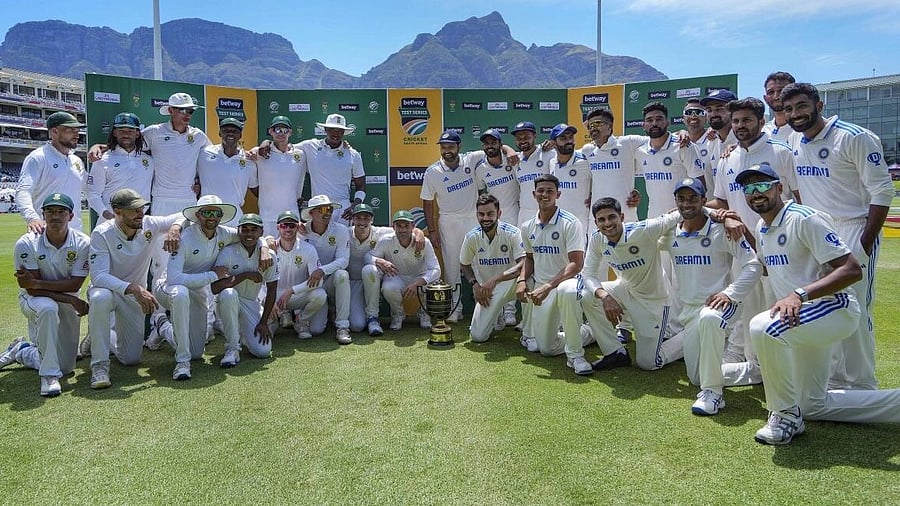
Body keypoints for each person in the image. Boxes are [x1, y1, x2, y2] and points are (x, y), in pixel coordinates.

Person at [735, 164, 900, 445]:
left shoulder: (804, 218)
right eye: (749, 189)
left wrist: (799, 294)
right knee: (811, 404)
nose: (755, 194)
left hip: (834, 308)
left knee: (763, 327)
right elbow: (762, 268)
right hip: (803, 318)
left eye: (762, 186)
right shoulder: (763, 227)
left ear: (779, 187)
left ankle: (785, 415)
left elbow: (851, 270)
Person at [782, 82, 894, 391]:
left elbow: (882, 191)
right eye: (789, 109)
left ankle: (860, 383)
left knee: (855, 305)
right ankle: (831, 377)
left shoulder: (854, 137)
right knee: (825, 302)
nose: (795, 114)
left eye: (802, 106)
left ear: (819, 105)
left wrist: (865, 243)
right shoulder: (794, 138)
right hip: (819, 230)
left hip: (854, 226)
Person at [660, 178, 763, 415]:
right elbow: (644, 237)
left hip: (722, 305)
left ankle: (713, 394)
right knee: (696, 376)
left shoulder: (722, 230)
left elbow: (753, 265)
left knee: (709, 317)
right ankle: (753, 371)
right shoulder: (670, 233)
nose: (687, 203)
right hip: (689, 311)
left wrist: (730, 293)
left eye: (693, 198)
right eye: (681, 199)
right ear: (675, 202)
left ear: (703, 200)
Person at [712, 98, 799, 364]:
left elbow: (799, 197)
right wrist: (723, 217)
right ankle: (749, 360)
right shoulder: (727, 157)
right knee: (747, 305)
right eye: (736, 120)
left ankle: (786, 364)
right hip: (742, 247)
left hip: (779, 246)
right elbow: (722, 201)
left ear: (761, 122)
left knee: (780, 306)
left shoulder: (781, 152)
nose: (740, 126)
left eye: (746, 120)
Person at [86, 188, 184, 389]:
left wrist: (175, 227)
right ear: (117, 212)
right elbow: (99, 276)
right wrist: (135, 289)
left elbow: (185, 214)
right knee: (99, 297)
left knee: (130, 358)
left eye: (141, 208)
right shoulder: (101, 233)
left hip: (133, 296)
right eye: (134, 209)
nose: (140, 213)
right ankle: (99, 367)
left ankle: (96, 337)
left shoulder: (149, 224)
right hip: (109, 290)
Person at [1, 193, 90, 397]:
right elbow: (31, 289)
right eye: (50, 211)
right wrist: (71, 299)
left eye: (61, 211)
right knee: (48, 307)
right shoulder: (27, 243)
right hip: (33, 299)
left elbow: (75, 283)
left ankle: (22, 350)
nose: (55, 216)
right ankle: (49, 376)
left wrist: (39, 282)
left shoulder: (83, 243)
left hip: (66, 298)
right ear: (43, 214)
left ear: (71, 216)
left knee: (67, 367)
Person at [150, 195, 244, 380]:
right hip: (168, 288)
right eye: (206, 212)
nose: (211, 217)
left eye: (215, 212)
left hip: (198, 291)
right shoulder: (184, 237)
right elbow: (174, 278)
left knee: (196, 352)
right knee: (181, 293)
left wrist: (265, 245)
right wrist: (213, 276)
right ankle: (182, 362)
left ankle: (162, 325)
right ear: (198, 216)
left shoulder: (225, 233)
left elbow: (251, 235)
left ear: (220, 215)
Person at [517, 174, 593, 375]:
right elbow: (530, 258)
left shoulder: (570, 222)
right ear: (534, 194)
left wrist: (548, 286)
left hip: (567, 284)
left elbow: (576, 264)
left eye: (550, 191)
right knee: (547, 349)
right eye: (541, 191)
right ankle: (590, 332)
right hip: (543, 289)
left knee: (567, 291)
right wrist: (522, 280)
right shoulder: (527, 227)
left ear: (558, 194)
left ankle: (576, 355)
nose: (545, 195)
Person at [420, 130, 478, 323]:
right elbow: (428, 203)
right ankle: (455, 308)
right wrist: (433, 230)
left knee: (480, 265)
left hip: (473, 220)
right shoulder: (433, 171)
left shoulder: (471, 160)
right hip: (448, 221)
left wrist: (509, 152)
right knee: (452, 268)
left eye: (451, 147)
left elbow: (496, 149)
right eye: (444, 147)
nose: (447, 151)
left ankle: (485, 308)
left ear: (459, 147)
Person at [348, 203, 426, 335]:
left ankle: (373, 318)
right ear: (353, 219)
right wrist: (380, 260)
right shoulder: (345, 233)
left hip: (373, 279)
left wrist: (419, 233)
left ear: (372, 219)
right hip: (354, 282)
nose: (362, 222)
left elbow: (405, 230)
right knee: (357, 326)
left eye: (366, 218)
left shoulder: (381, 232)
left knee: (369, 270)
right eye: (358, 218)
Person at [212, 214, 278, 366]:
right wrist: (246, 275)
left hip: (251, 304)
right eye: (245, 229)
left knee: (263, 351)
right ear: (238, 231)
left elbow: (272, 289)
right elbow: (215, 288)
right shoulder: (227, 252)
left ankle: (241, 332)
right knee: (229, 294)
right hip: (226, 302)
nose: (249, 234)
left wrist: (263, 322)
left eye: (254, 230)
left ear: (261, 232)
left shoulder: (269, 255)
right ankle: (232, 349)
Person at [460, 194, 525, 343]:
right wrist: (474, 284)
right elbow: (464, 264)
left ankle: (529, 331)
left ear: (499, 213)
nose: (485, 218)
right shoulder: (472, 237)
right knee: (478, 336)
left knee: (530, 279)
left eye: (490, 214)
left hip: (511, 284)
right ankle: (497, 316)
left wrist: (495, 279)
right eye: (481, 214)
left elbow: (524, 263)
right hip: (487, 291)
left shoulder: (513, 233)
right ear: (476, 215)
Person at [365, 210, 441, 331]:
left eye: (406, 226)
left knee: (435, 284)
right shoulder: (386, 240)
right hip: (397, 277)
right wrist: (380, 261)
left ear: (413, 226)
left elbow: (436, 269)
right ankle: (398, 314)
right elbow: (368, 257)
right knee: (388, 288)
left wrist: (418, 283)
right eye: (399, 226)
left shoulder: (424, 242)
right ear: (393, 227)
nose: (403, 230)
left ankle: (424, 313)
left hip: (419, 278)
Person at [16, 112, 87, 233]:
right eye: (70, 129)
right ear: (54, 131)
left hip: (74, 233)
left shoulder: (76, 161)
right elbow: (23, 191)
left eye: (77, 130)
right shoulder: (38, 157)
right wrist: (32, 218)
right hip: (45, 230)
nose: (76, 134)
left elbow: (91, 189)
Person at [634, 102, 704, 219]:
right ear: (644, 125)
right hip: (654, 220)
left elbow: (700, 184)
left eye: (659, 119)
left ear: (667, 122)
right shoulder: (640, 151)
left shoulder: (683, 145)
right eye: (650, 120)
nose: (654, 123)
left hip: (682, 218)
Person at [300, 195, 352, 344]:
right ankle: (329, 310)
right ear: (311, 213)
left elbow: (343, 260)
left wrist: (322, 270)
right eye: (322, 209)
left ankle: (342, 326)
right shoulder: (300, 231)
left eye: (329, 209)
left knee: (342, 274)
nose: (327, 212)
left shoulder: (341, 230)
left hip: (331, 280)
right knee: (316, 330)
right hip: (313, 286)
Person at [86, 112, 153, 226]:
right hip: (109, 222)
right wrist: (106, 214)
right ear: (115, 133)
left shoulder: (150, 160)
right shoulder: (102, 159)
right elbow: (92, 193)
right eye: (121, 130)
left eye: (130, 131)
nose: (126, 134)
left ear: (137, 133)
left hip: (139, 222)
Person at [580, 108, 644, 224]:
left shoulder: (628, 142)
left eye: (598, 123)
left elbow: (659, 139)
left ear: (610, 126)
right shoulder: (587, 150)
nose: (593, 127)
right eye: (590, 125)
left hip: (626, 218)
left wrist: (682, 133)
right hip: (598, 222)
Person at [271, 210, 327, 340]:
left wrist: (292, 290)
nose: (288, 229)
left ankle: (301, 322)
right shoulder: (269, 249)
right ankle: (272, 322)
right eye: (284, 225)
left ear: (298, 227)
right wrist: (268, 301)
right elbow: (260, 282)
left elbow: (318, 281)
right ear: (277, 227)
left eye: (292, 225)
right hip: (274, 297)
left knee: (320, 294)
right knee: (265, 339)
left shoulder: (308, 249)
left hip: (296, 296)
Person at [300, 113, 365, 224]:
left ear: (344, 132)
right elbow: (286, 149)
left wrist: (354, 206)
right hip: (318, 206)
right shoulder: (310, 146)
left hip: (343, 209)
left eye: (340, 131)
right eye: (332, 130)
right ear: (326, 129)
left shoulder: (353, 154)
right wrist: (266, 144)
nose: (336, 134)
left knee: (343, 240)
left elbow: (361, 186)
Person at [196, 118, 258, 225]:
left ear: (240, 135)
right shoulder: (204, 153)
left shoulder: (249, 161)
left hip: (234, 216)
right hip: (207, 214)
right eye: (226, 130)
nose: (230, 133)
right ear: (220, 133)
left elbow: (256, 189)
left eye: (234, 131)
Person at [255, 116, 307, 235]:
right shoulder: (260, 153)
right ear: (270, 131)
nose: (281, 133)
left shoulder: (301, 154)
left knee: (292, 253)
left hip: (292, 216)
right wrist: (264, 144)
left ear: (291, 132)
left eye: (285, 130)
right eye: (277, 130)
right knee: (269, 252)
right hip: (268, 218)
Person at [547, 123, 592, 229]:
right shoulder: (552, 162)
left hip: (580, 222)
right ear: (553, 143)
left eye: (570, 137)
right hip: (558, 221)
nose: (569, 141)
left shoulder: (585, 160)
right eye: (563, 138)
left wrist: (595, 196)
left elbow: (603, 178)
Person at [511, 121, 552, 230]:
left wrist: (554, 143)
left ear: (535, 136)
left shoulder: (548, 153)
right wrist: (507, 148)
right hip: (524, 213)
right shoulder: (515, 160)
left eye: (527, 137)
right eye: (519, 138)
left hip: (546, 211)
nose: (523, 140)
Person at [762, 71, 796, 144]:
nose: (776, 96)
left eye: (781, 91)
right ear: (765, 98)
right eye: (771, 92)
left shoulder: (803, 129)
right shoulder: (763, 132)